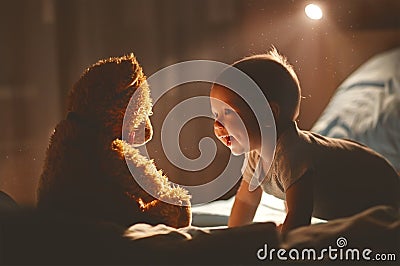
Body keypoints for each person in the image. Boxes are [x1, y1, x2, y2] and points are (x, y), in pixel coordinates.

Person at [209, 47, 400, 234]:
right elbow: (246, 201)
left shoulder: (292, 154)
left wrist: (284, 242)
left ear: (267, 114)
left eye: (228, 112)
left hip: (376, 187)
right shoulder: (256, 155)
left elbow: (299, 215)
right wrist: (230, 237)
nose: (217, 124)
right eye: (216, 114)